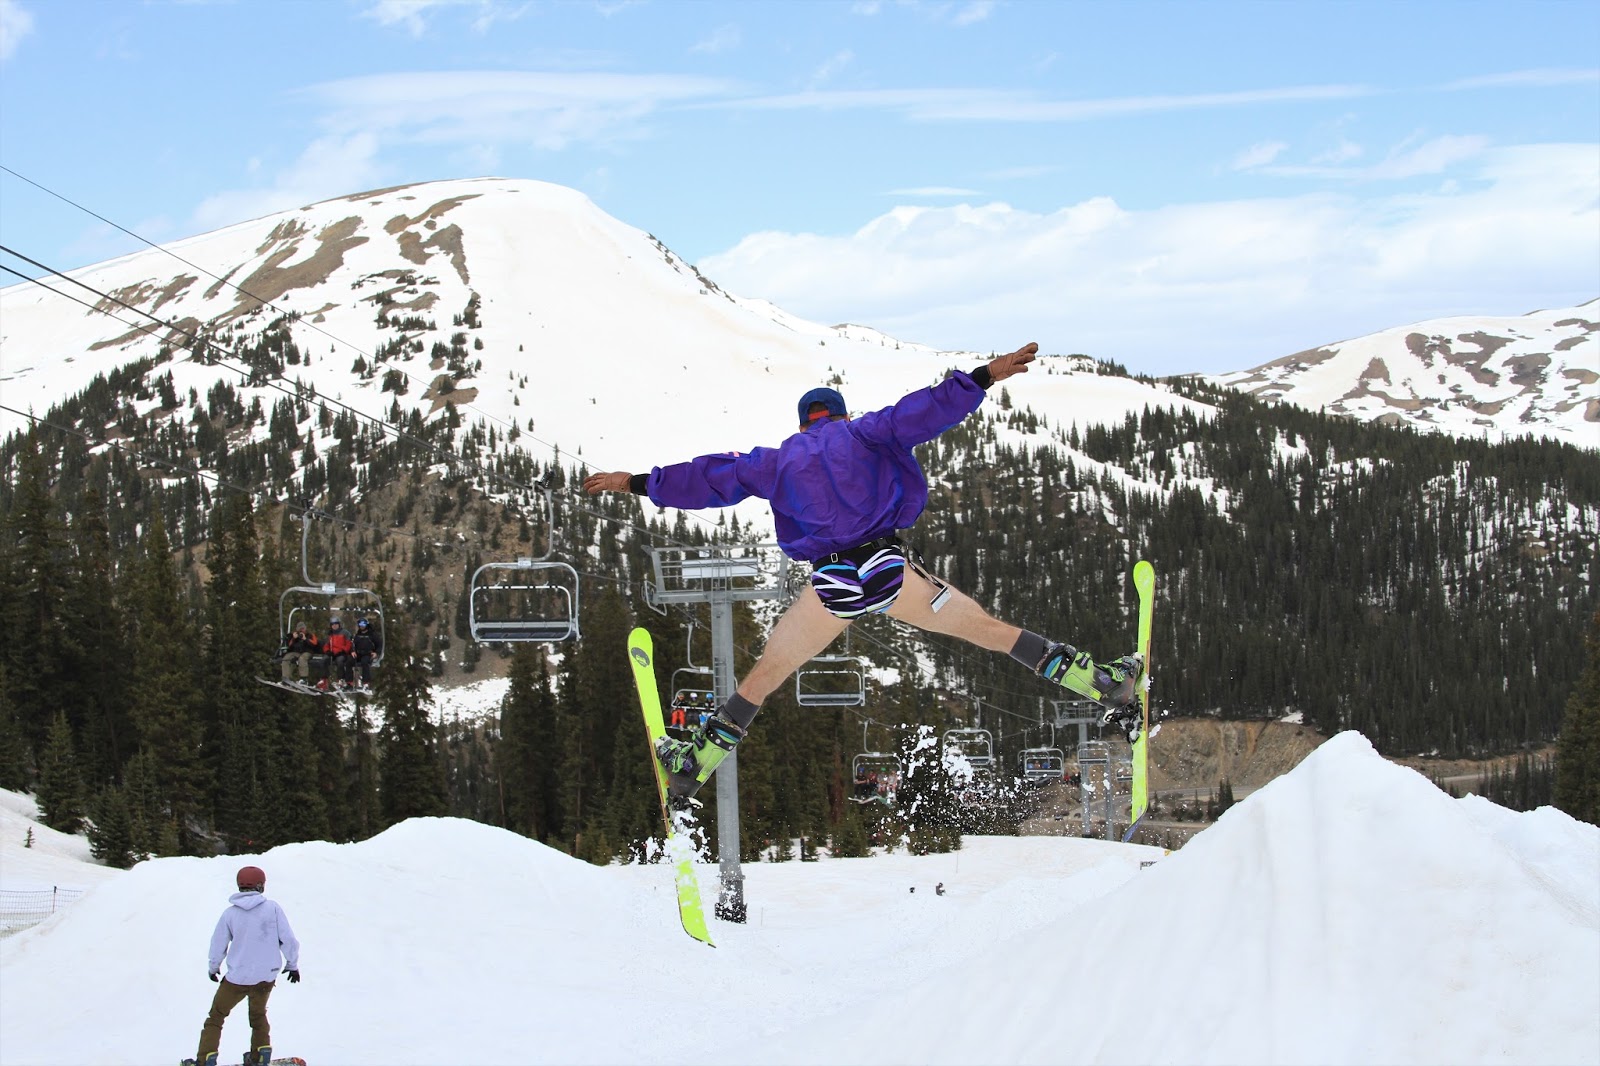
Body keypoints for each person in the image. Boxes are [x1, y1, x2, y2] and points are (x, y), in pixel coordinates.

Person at [584, 342, 1142, 802]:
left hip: (831, 585)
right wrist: (982, 377)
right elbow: (922, 411)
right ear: (842, 414)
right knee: (989, 631)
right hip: (887, 569)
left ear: (802, 423)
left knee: (767, 673)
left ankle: (694, 765)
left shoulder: (775, 461)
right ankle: (1100, 682)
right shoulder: (865, 433)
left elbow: (708, 478)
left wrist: (635, 482)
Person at [186, 865, 300, 1066]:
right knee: (258, 1015)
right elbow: (288, 940)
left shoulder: (230, 914)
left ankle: (206, 1059)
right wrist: (292, 965)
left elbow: (218, 944)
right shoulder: (272, 908)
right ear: (260, 886)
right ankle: (260, 1056)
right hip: (266, 976)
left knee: (216, 1016)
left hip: (237, 978)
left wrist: (214, 967)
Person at [321, 617, 355, 691]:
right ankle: (324, 680)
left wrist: (344, 650)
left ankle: (341, 679)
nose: (334, 626)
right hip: (332, 653)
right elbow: (326, 645)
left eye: (336, 624)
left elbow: (349, 644)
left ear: (339, 624)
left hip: (341, 653)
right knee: (324, 660)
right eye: (333, 624)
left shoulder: (345, 633)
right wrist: (327, 651)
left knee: (340, 661)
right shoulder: (330, 634)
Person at [351, 617, 382, 690]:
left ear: (366, 624)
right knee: (349, 661)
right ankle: (348, 682)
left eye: (363, 624)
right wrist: (353, 651)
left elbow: (379, 644)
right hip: (358, 653)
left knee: (364, 662)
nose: (362, 626)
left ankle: (366, 683)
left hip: (368, 654)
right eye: (360, 624)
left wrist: (376, 653)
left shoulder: (372, 634)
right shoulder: (358, 634)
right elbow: (353, 644)